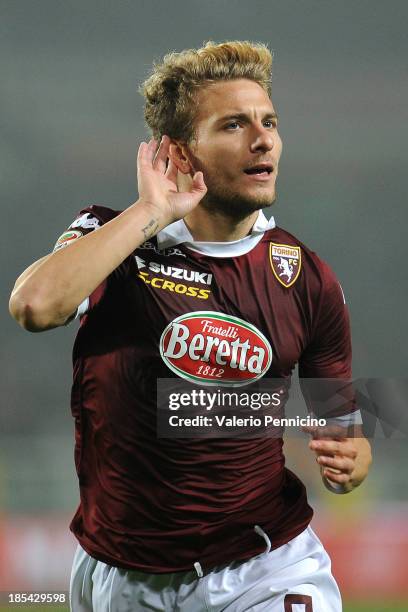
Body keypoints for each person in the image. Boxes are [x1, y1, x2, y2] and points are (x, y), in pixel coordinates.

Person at [9, 41, 372, 611]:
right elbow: (34, 307)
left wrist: (352, 455)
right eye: (234, 124)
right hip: (122, 577)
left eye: (269, 121)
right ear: (181, 151)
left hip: (265, 565)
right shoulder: (114, 237)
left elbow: (340, 418)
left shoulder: (305, 276)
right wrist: (150, 213)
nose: (263, 139)